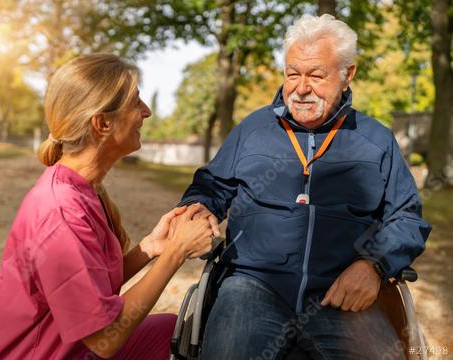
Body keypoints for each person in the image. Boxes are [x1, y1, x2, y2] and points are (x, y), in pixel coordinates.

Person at [179, 14, 431, 359]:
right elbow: (212, 185)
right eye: (292, 73)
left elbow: (407, 218)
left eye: (315, 75)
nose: (300, 87)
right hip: (252, 284)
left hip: (341, 292)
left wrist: (373, 265)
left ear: (347, 75)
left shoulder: (376, 140)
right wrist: (199, 207)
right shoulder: (253, 129)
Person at [0, 54, 214, 360]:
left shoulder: (81, 189)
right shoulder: (61, 211)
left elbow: (89, 289)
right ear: (102, 123)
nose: (147, 111)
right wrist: (176, 253)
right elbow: (104, 339)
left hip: (73, 350)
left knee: (167, 331)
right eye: (136, 102)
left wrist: (151, 248)